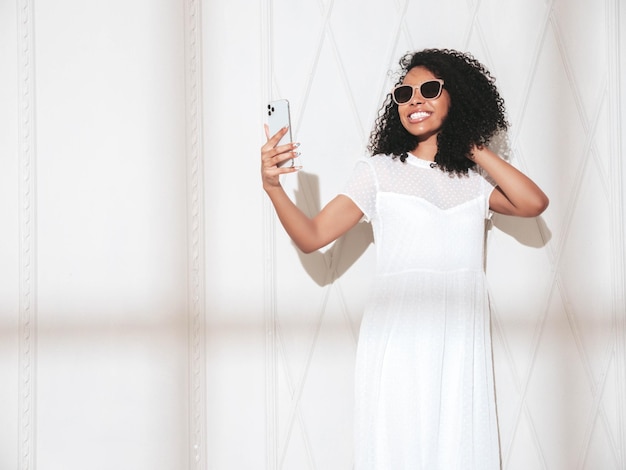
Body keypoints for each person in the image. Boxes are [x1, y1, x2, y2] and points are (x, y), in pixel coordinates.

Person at [260, 48, 548, 470]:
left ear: (458, 99)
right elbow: (313, 236)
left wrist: (472, 147)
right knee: (399, 448)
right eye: (404, 93)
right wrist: (273, 188)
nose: (415, 100)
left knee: (461, 448)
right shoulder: (379, 172)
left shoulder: (472, 182)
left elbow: (533, 203)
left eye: (430, 90)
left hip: (460, 337)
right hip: (399, 337)